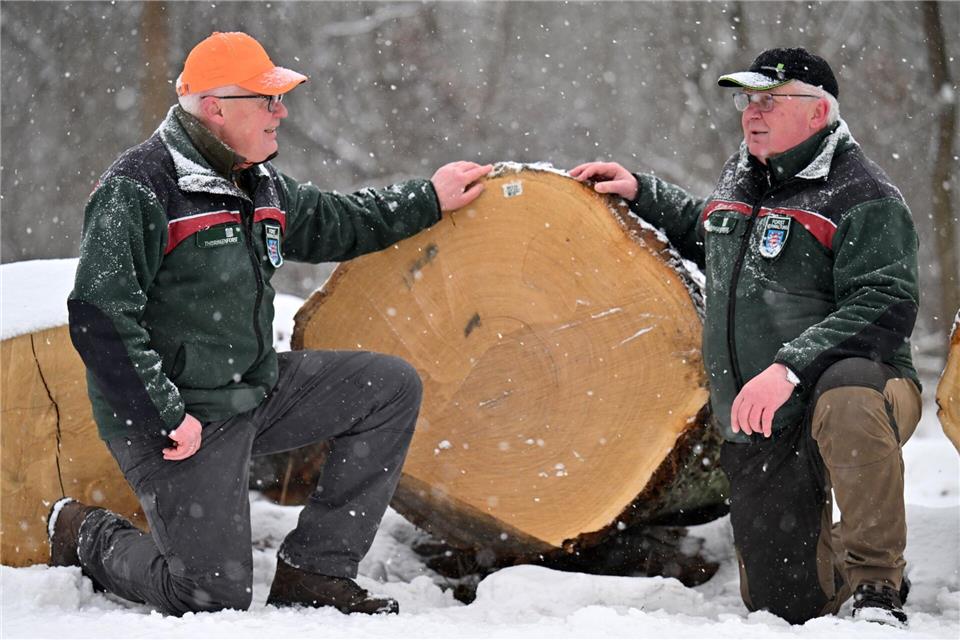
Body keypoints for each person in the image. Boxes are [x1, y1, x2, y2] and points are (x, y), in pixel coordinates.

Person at [52, 31, 491, 617]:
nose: (280, 112)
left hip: (252, 391)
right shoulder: (141, 185)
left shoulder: (256, 181)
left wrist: (429, 198)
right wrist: (165, 413)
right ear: (216, 108)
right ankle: (83, 532)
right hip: (179, 419)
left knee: (387, 387)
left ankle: (316, 571)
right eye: (267, 99)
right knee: (209, 596)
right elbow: (98, 316)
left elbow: (342, 220)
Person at [571, 47, 920, 628]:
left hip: (860, 390)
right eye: (747, 100)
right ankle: (832, 553)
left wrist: (789, 369)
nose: (752, 113)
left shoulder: (864, 196)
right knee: (783, 606)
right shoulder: (749, 172)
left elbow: (884, 305)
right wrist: (642, 192)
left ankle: (877, 580)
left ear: (818, 113)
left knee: (849, 397)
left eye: (769, 100)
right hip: (762, 417)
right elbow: (717, 237)